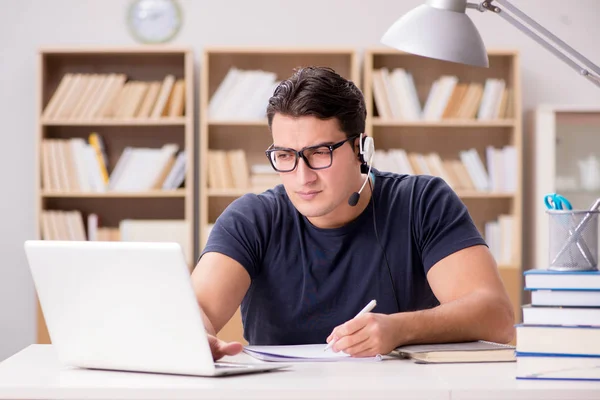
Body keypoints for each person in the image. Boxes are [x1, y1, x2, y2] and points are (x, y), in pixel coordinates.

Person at [191, 66, 515, 361]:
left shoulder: (423, 201)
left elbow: (495, 316)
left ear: (361, 148)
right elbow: (198, 308)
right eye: (286, 155)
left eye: (319, 153)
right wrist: (196, 337)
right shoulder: (251, 218)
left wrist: (400, 329)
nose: (303, 176)